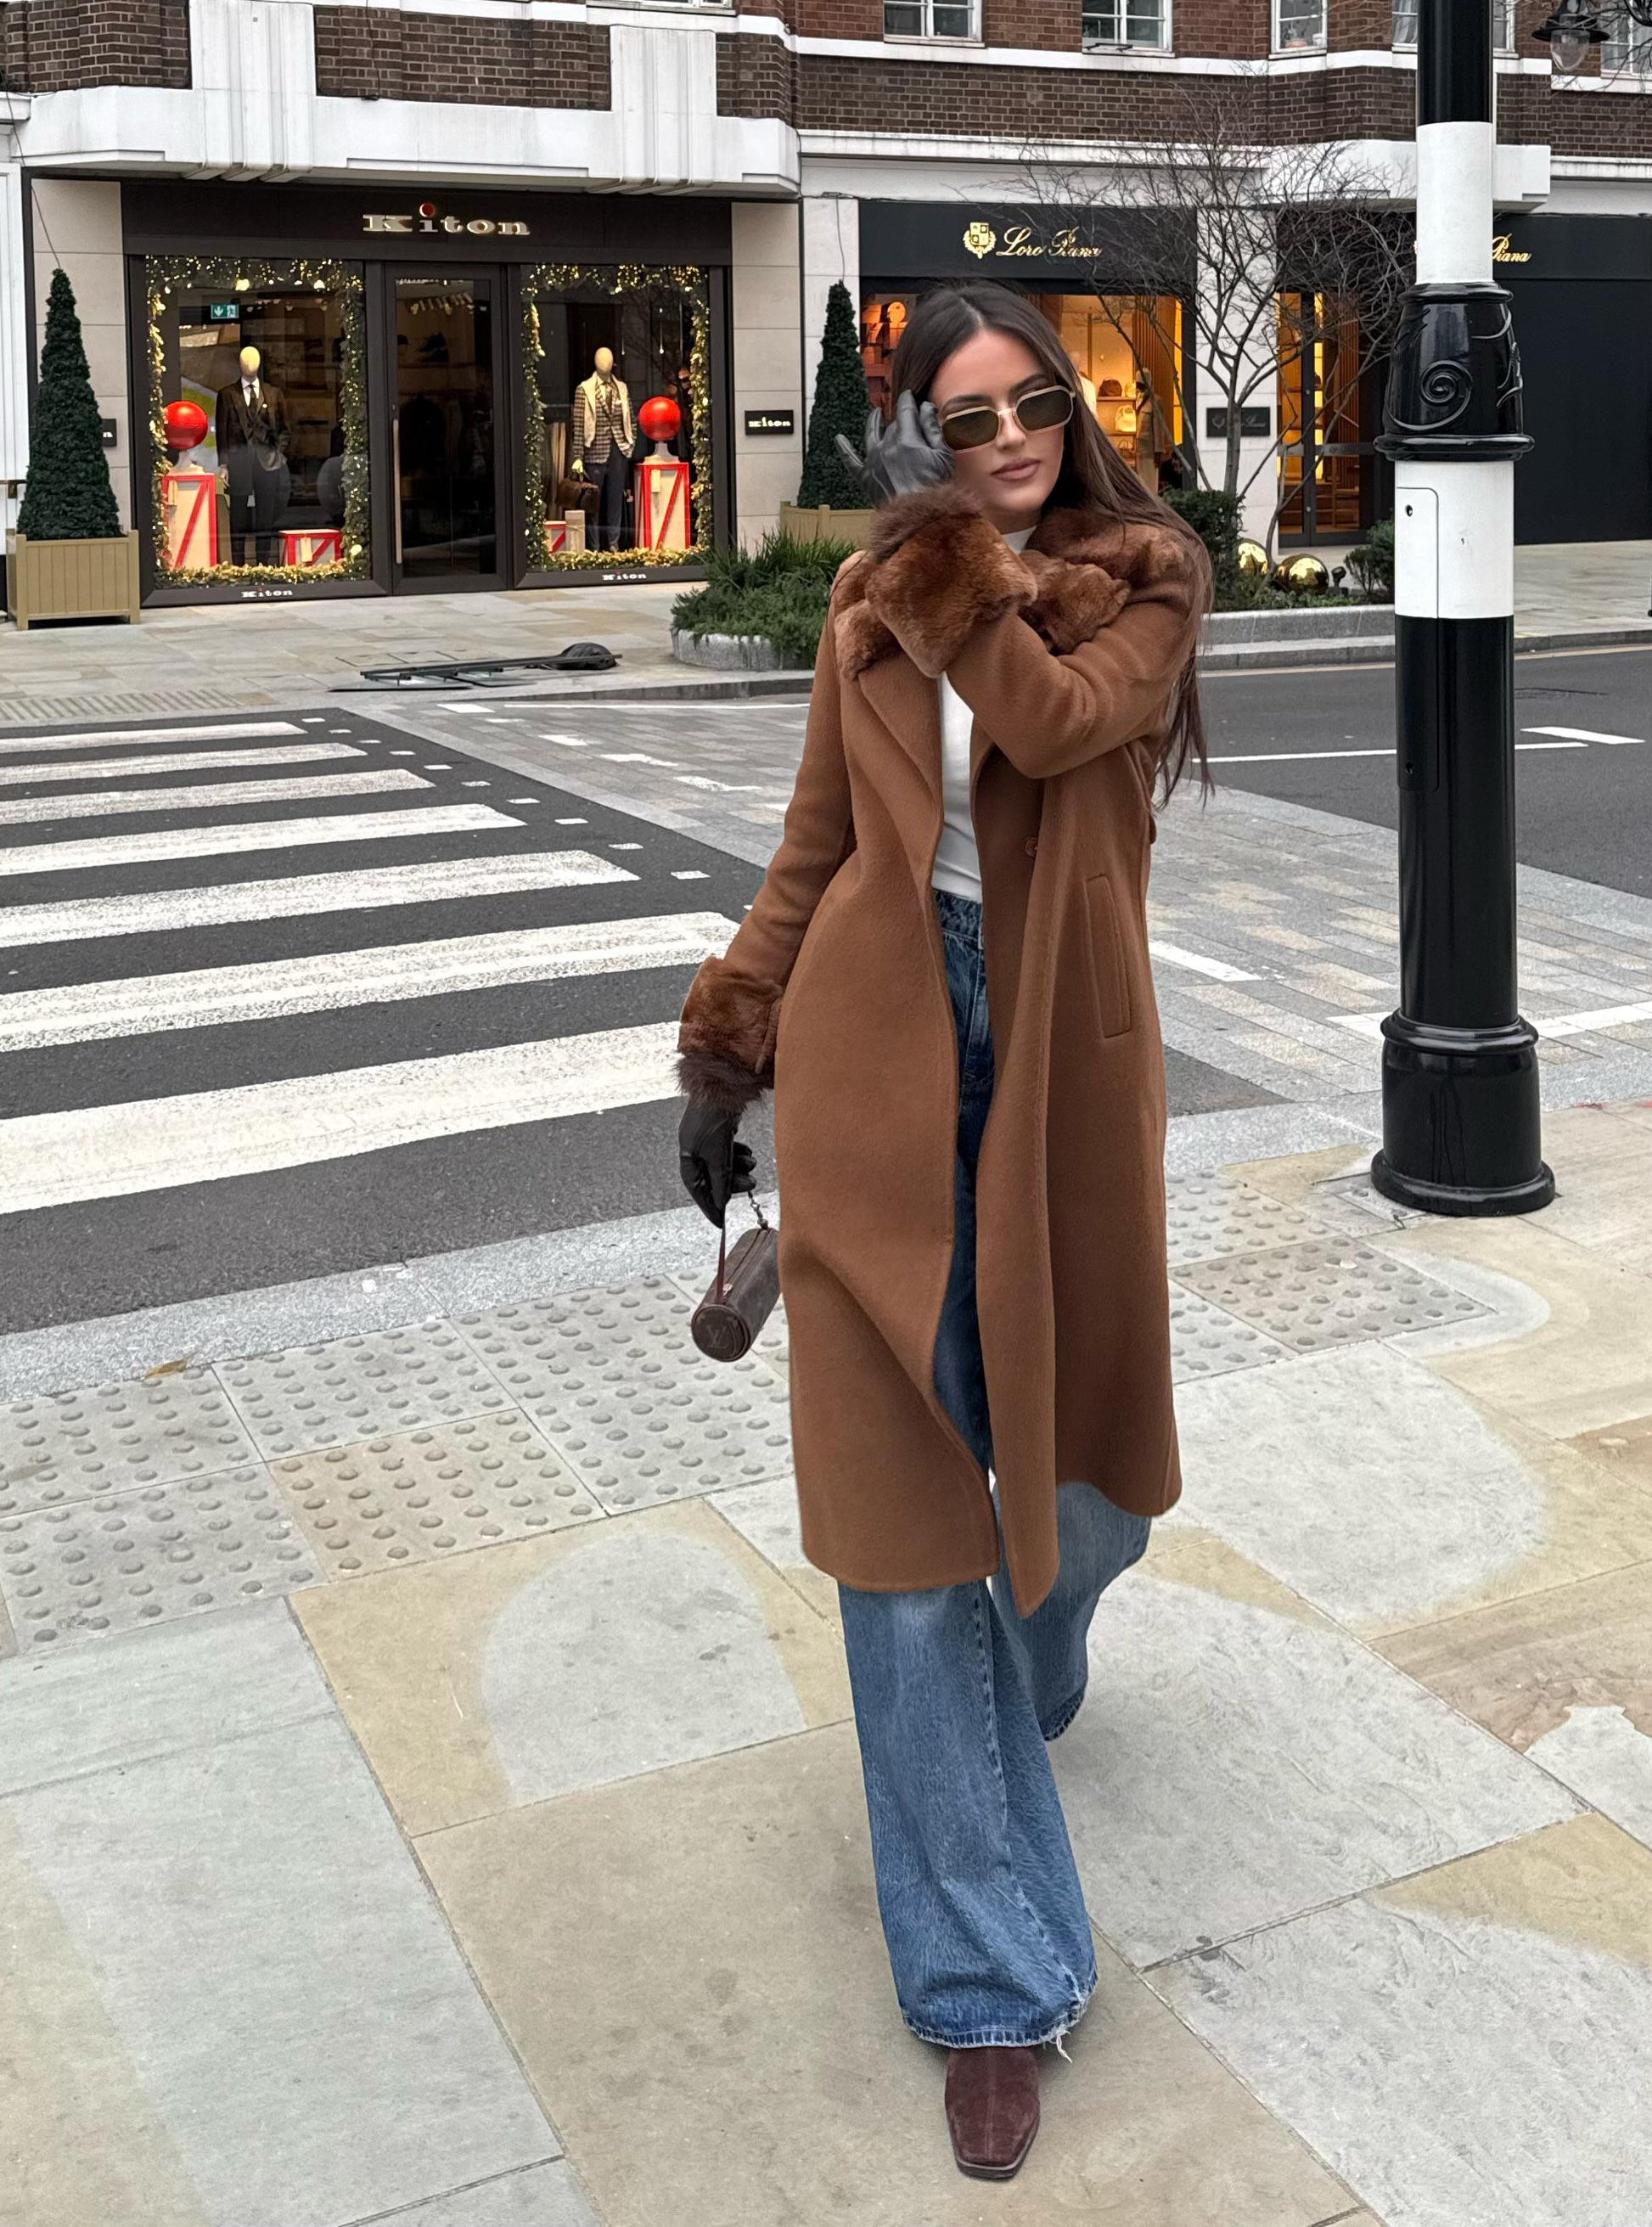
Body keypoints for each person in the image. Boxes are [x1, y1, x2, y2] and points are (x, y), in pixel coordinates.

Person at [673, 281, 1211, 2183]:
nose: (1006, 441)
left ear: (1070, 405)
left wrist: (941, 566)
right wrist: (726, 1046)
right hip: (875, 1063)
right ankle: (989, 1982)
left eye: (1028, 403)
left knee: (1079, 1501)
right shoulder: (874, 604)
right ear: (917, 434)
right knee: (906, 1543)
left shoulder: (1143, 578)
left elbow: (1054, 726)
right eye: (962, 418)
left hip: (1059, 1077)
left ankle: (1042, 1646)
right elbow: (816, 842)